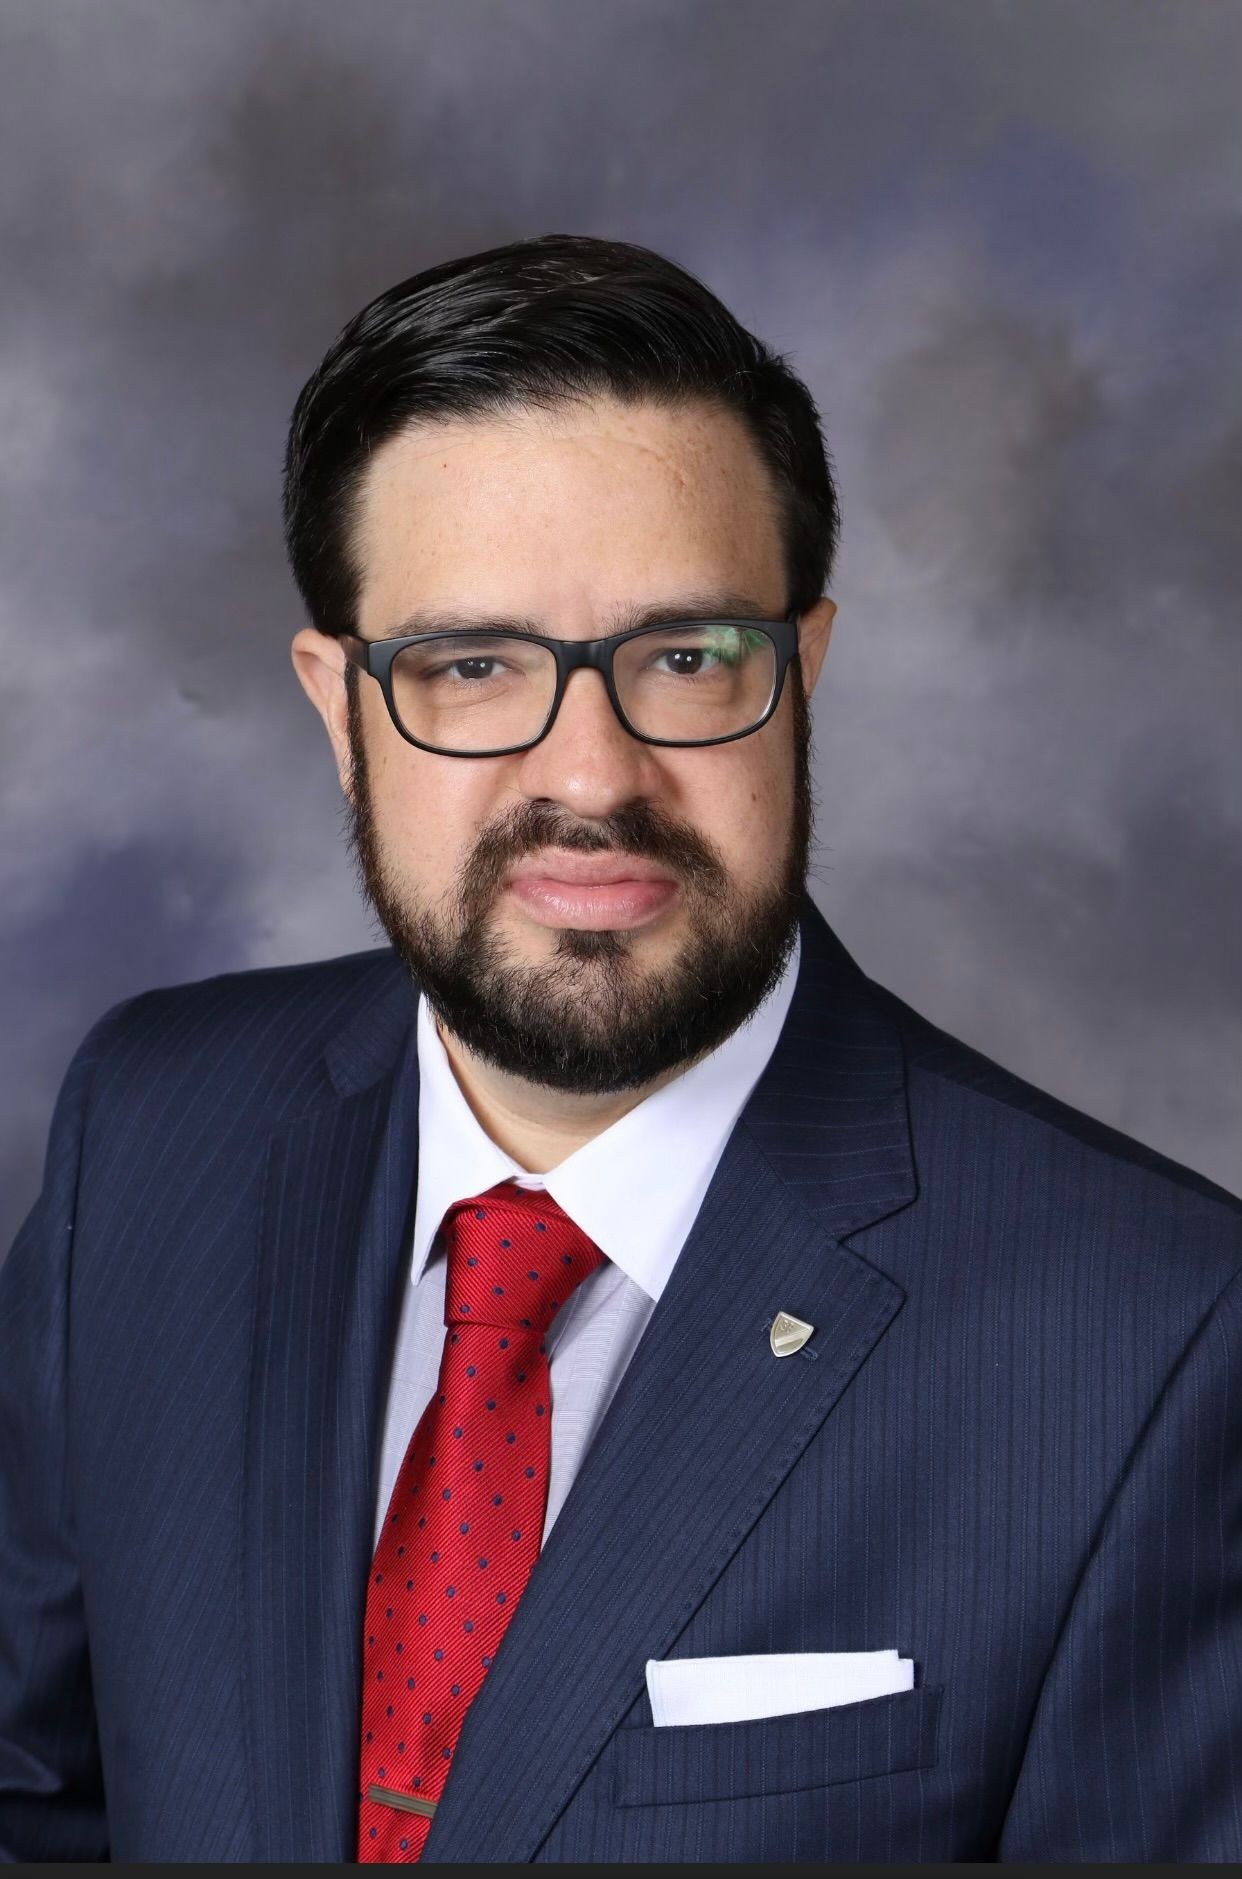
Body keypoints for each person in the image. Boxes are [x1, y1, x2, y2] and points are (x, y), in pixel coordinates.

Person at [1, 233, 1239, 1866]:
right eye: (470, 665)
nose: (591, 774)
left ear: (798, 674)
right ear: (338, 705)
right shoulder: (151, 1128)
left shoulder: (1150, 1339)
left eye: (683, 658)